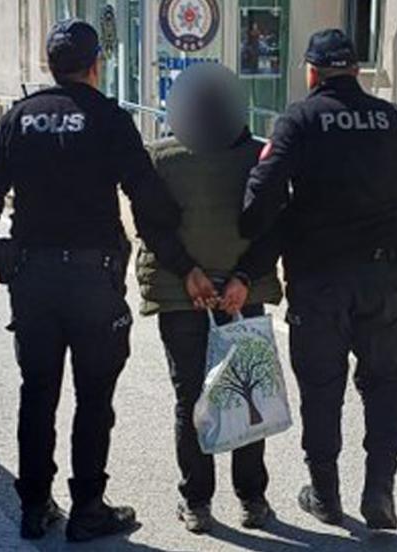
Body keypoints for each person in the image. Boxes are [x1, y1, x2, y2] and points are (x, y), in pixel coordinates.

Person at [0, 19, 211, 543]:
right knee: (94, 397)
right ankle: (87, 509)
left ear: (51, 66)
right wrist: (184, 256)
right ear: (96, 65)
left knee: (38, 393)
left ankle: (34, 507)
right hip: (92, 280)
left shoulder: (19, 117)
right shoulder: (109, 118)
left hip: (32, 277)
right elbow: (146, 196)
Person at [240, 29, 397, 531]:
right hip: (388, 278)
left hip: (320, 280)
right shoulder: (395, 119)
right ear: (356, 71)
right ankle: (380, 489)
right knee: (386, 385)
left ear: (312, 72)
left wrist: (258, 231)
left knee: (321, 387)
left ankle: (325, 492)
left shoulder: (299, 120)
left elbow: (260, 197)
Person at [136, 63, 283, 534]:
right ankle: (252, 499)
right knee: (247, 391)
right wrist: (243, 277)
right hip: (243, 294)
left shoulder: (159, 158)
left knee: (191, 398)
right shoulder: (260, 156)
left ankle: (196, 501)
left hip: (181, 295)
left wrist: (188, 272)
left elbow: (151, 226)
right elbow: (275, 226)